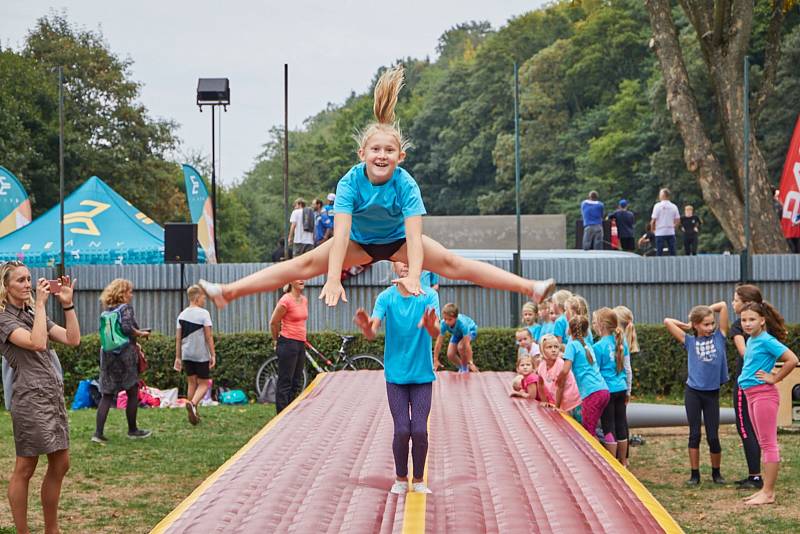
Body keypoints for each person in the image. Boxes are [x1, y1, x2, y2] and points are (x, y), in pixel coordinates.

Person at [197, 66, 555, 309]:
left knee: (451, 262)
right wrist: (333, 278)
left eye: (389, 151)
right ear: (362, 153)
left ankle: (530, 288)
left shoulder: (406, 184)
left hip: (399, 241)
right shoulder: (350, 182)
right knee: (302, 265)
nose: (382, 156)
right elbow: (339, 237)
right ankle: (229, 292)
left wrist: (414, 276)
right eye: (375, 150)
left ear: (400, 155)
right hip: (358, 244)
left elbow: (414, 239)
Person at [0, 263, 80, 534]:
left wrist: (67, 305)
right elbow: (37, 342)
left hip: (51, 395)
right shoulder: (3, 319)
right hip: (29, 398)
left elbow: (72, 339)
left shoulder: (33, 313)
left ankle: (51, 530)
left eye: (29, 279)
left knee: (61, 462)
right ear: (6, 286)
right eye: (20, 280)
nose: (27, 284)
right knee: (26, 466)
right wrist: (43, 304)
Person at [353, 261, 440, 495]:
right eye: (401, 261)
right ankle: (401, 478)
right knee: (402, 430)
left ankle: (419, 480)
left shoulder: (429, 296)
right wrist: (366, 329)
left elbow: (436, 330)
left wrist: (431, 326)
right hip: (396, 377)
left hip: (422, 376)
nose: (406, 265)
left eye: (411, 261)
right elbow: (373, 329)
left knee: (419, 430)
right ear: (393, 266)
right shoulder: (385, 298)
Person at [737, 301, 798, 505]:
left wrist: (775, 378)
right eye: (744, 320)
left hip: (763, 394)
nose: (747, 324)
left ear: (762, 321)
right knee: (763, 443)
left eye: (752, 319)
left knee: (769, 444)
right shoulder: (752, 340)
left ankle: (769, 493)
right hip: (751, 394)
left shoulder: (766, 340)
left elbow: (792, 359)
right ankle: (765, 490)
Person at [663, 302, 729, 486]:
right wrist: (688, 324)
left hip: (712, 394)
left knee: (713, 436)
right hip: (693, 393)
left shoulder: (719, 337)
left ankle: (716, 473)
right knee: (694, 434)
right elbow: (667, 321)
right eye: (705, 324)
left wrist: (706, 311)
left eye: (711, 323)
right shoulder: (690, 341)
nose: (710, 327)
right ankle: (695, 474)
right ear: (697, 325)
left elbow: (723, 306)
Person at [94, 279, 152, 443]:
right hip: (125, 355)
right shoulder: (125, 309)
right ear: (122, 293)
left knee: (106, 394)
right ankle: (132, 430)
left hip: (108, 355)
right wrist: (141, 334)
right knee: (132, 391)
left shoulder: (107, 311)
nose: (131, 295)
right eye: (129, 291)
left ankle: (98, 433)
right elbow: (127, 329)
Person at [730, 285, 767, 490]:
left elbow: (745, 354)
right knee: (757, 429)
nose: (733, 303)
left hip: (747, 383)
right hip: (763, 382)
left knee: (745, 428)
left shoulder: (739, 326)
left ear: (745, 303)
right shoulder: (764, 323)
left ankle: (755, 476)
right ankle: (757, 474)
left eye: (735, 300)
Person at [558, 315, 609, 436]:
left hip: (591, 393)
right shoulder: (587, 345)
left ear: (569, 330)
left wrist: (558, 379)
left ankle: (594, 455)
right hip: (603, 390)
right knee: (592, 428)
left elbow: (565, 370)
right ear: (586, 331)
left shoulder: (572, 345)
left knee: (588, 433)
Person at [592, 307, 630, 466]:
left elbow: (596, 372)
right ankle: (623, 461)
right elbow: (627, 369)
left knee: (609, 426)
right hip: (621, 389)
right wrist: (628, 390)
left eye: (594, 322)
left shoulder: (598, 347)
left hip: (607, 391)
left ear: (600, 325)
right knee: (621, 423)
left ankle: (612, 464)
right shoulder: (621, 343)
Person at [174, 285, 216, 425]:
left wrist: (178, 357)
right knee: (204, 383)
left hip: (187, 354)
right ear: (197, 297)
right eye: (203, 297)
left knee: (191, 382)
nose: (204, 300)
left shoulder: (181, 315)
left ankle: (193, 412)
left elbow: (178, 338)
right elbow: (208, 336)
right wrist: (213, 354)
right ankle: (192, 404)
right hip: (200, 354)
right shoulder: (204, 314)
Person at [269, 279, 309, 413]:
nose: (302, 280)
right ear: (291, 281)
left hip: (300, 343)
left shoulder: (304, 300)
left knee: (296, 382)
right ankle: (281, 415)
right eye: (298, 278)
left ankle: (291, 413)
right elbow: (274, 322)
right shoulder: (285, 300)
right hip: (287, 343)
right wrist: (276, 341)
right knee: (285, 381)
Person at [537, 334, 581, 417]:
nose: (553, 350)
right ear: (542, 350)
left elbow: (560, 387)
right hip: (561, 401)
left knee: (576, 426)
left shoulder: (560, 364)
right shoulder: (542, 366)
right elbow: (540, 383)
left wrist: (556, 407)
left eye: (556, 347)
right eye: (549, 347)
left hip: (573, 401)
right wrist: (544, 401)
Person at [433, 303, 478, 373]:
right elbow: (439, 342)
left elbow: (467, 345)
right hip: (457, 333)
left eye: (450, 319)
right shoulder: (443, 324)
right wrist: (435, 359)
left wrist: (470, 362)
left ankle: (466, 368)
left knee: (461, 346)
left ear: (456, 318)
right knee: (450, 354)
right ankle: (463, 367)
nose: (447, 322)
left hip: (471, 331)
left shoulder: (463, 324)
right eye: (445, 319)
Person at [650, 188, 680, 256]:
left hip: (660, 231)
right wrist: (674, 227)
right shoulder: (673, 206)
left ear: (663, 195)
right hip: (670, 231)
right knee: (672, 251)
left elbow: (653, 220)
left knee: (659, 251)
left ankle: (659, 265)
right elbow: (678, 220)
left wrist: (653, 230)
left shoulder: (657, 206)